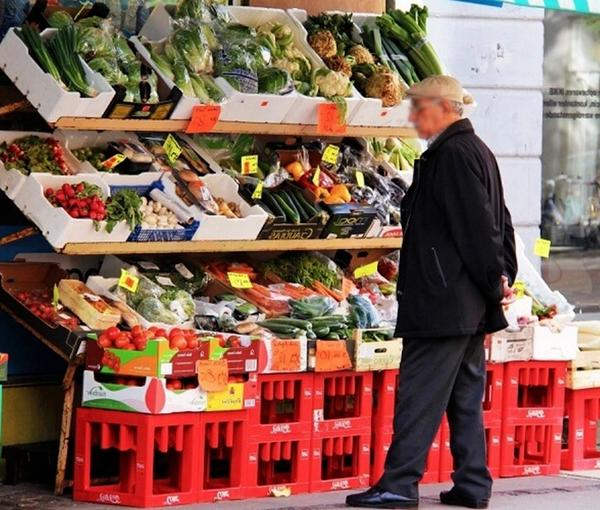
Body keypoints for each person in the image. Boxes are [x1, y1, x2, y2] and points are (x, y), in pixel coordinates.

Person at [346, 76, 517, 509]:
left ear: (444, 108)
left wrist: (495, 278)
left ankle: (399, 485)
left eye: (419, 107)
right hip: (464, 301)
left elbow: (480, 228)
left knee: (419, 394)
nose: (414, 116)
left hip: (445, 300)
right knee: (463, 397)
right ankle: (472, 485)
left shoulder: (453, 155)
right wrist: (500, 278)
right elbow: (502, 219)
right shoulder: (473, 151)